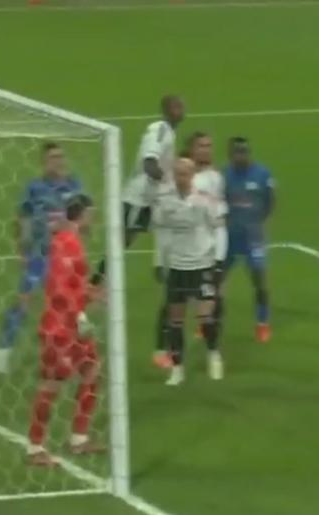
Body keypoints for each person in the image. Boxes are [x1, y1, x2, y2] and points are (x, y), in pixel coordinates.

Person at [91, 95, 185, 370]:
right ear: (166, 110)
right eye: (176, 106)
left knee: (137, 239)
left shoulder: (169, 132)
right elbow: (149, 163)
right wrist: (166, 181)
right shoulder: (159, 129)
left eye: (182, 106)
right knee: (120, 244)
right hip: (138, 199)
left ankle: (104, 282)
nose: (181, 110)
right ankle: (95, 286)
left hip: (150, 201)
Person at [27, 194, 102, 466]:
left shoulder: (72, 241)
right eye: (91, 214)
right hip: (59, 328)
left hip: (73, 326)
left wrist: (92, 293)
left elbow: (73, 285)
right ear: (82, 214)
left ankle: (78, 439)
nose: (94, 219)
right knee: (51, 385)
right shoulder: (65, 243)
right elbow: (59, 289)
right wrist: (81, 311)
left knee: (93, 370)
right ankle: (35, 448)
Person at [0, 142, 82, 374]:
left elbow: (83, 219)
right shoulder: (34, 188)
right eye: (53, 157)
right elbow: (22, 218)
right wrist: (22, 250)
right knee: (23, 303)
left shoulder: (74, 185)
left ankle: (68, 355)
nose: (59, 161)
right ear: (44, 162)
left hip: (65, 257)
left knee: (70, 307)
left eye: (61, 156)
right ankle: (3, 352)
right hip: (40, 256)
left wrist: (72, 231)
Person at [157, 158, 227, 385]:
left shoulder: (204, 200)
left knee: (205, 316)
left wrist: (218, 261)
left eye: (186, 173)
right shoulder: (166, 202)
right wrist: (159, 262)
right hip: (177, 267)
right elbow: (162, 233)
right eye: (178, 173)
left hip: (202, 265)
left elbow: (219, 228)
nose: (181, 178)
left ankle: (213, 354)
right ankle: (177, 369)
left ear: (193, 175)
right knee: (175, 321)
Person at [223, 137, 274, 343]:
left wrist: (258, 223)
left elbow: (270, 202)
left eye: (244, 151)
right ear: (230, 155)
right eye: (237, 152)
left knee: (259, 279)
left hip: (253, 237)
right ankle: (208, 322)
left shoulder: (262, 174)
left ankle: (262, 323)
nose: (241, 156)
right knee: (216, 280)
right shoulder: (223, 175)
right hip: (228, 237)